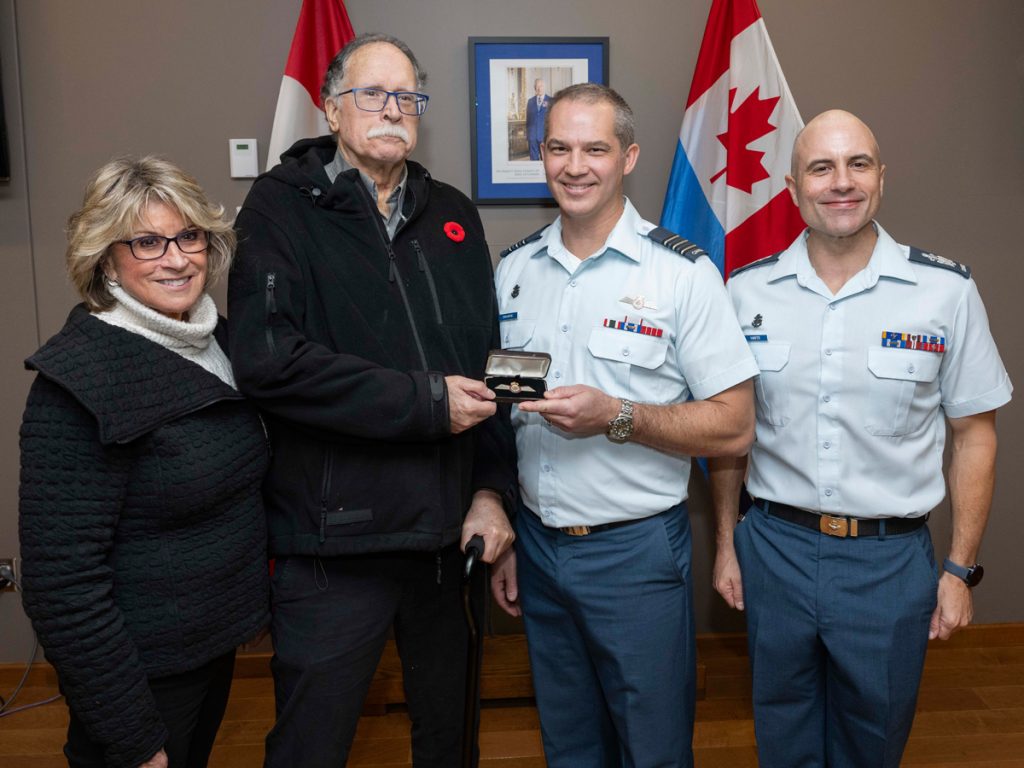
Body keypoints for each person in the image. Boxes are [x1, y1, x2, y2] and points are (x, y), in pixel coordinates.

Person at [227, 33, 516, 768]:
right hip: (335, 545)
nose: (394, 110)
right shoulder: (278, 209)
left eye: (407, 97)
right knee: (311, 746)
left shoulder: (451, 213)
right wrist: (421, 403)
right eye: (372, 94)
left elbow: (484, 367)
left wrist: (490, 491)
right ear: (330, 109)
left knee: (449, 743)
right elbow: (269, 362)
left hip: (445, 542)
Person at [709, 109, 1013, 767]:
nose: (840, 182)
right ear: (792, 188)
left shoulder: (944, 292)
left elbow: (975, 436)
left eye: (858, 164)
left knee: (872, 744)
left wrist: (959, 569)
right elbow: (730, 436)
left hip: (889, 561)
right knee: (781, 737)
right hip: (776, 551)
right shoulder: (744, 290)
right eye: (821, 167)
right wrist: (729, 544)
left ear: (882, 178)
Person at [491, 83, 757, 767]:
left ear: (629, 156)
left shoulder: (682, 274)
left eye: (595, 149)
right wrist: (513, 528)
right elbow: (503, 421)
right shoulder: (513, 270)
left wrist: (619, 416)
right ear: (540, 157)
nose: (574, 166)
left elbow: (734, 425)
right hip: (540, 551)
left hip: (634, 554)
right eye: (558, 148)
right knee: (570, 744)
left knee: (654, 749)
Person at [19, 156, 270, 768]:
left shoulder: (223, 342)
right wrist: (134, 739)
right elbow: (63, 586)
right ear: (106, 259)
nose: (177, 258)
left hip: (206, 649)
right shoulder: (78, 379)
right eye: (147, 242)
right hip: (136, 676)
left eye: (189, 237)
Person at [525, 77, 550, 160]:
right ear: (535, 88)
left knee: (546, 160)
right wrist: (528, 135)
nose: (539, 88)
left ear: (544, 87)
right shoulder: (530, 101)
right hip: (532, 137)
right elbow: (528, 120)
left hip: (545, 136)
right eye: (537, 86)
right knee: (533, 160)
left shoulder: (551, 100)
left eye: (541, 86)